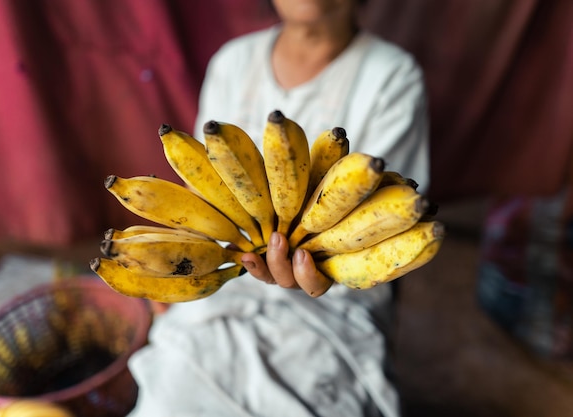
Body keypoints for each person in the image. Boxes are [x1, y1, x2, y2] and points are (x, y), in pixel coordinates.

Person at [128, 1, 429, 416]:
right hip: (224, 289)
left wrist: (321, 265)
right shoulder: (232, 63)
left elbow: (387, 221)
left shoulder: (392, 76)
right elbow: (203, 193)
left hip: (333, 307)